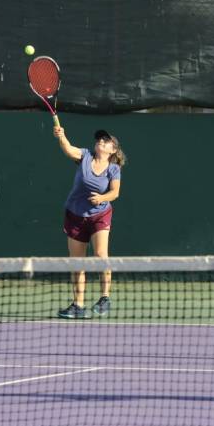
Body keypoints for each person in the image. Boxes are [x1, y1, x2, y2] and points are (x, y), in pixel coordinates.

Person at [53, 126, 126, 320]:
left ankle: (105, 297)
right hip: (75, 215)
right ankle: (78, 305)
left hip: (100, 215)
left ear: (113, 150)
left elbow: (115, 192)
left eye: (106, 140)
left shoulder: (113, 169)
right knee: (77, 263)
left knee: (101, 254)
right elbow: (68, 149)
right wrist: (62, 136)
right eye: (100, 139)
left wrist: (102, 198)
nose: (101, 141)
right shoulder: (85, 156)